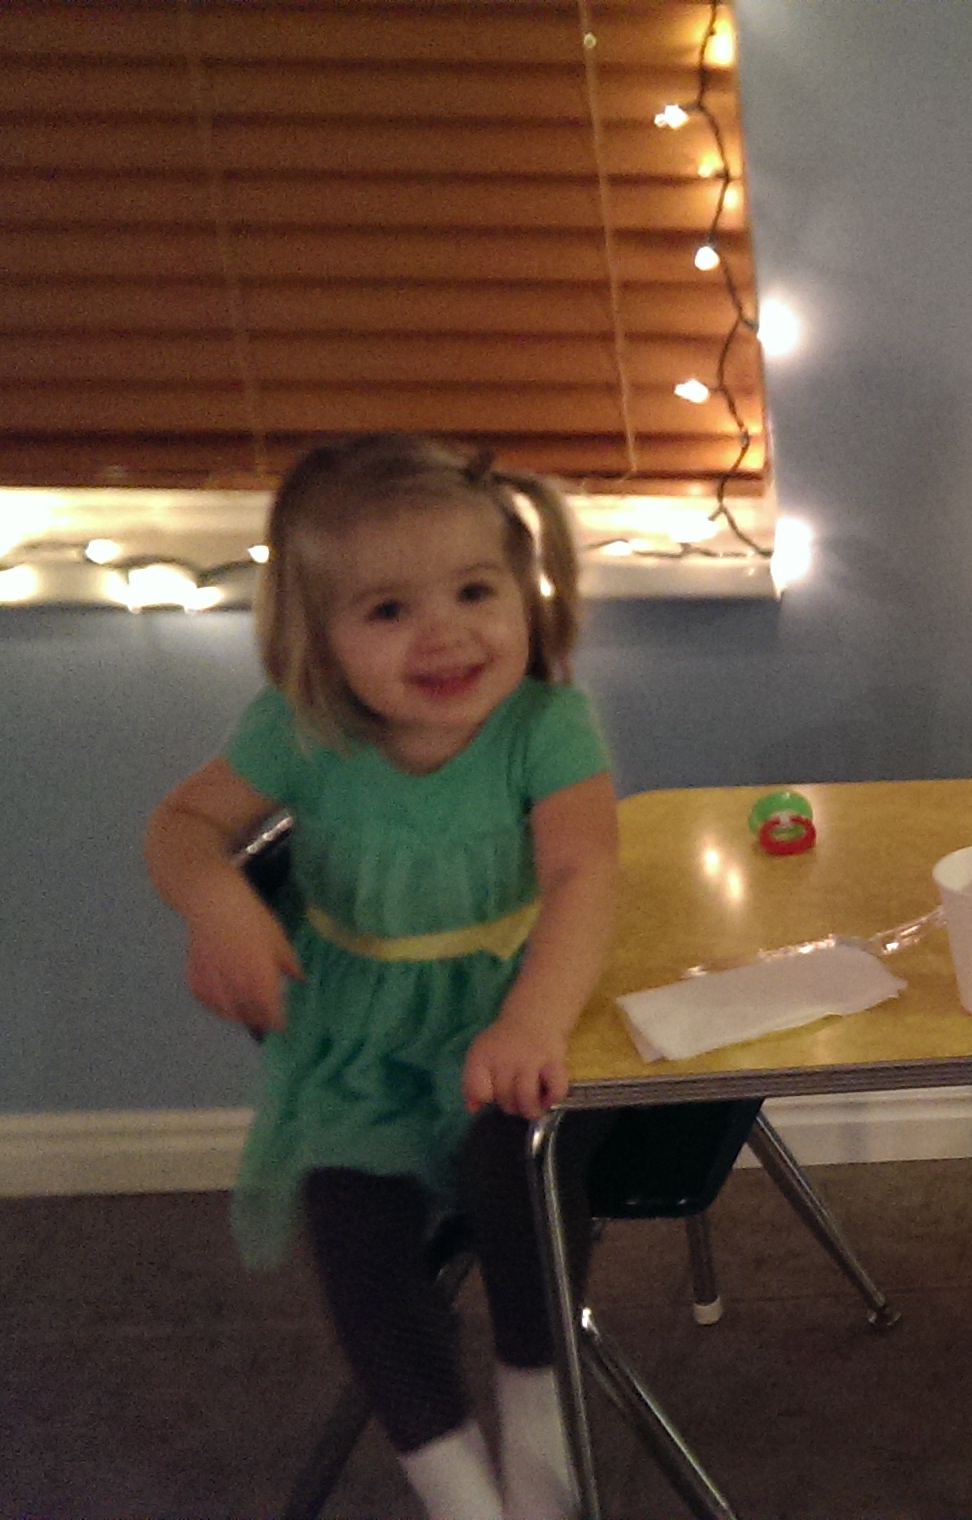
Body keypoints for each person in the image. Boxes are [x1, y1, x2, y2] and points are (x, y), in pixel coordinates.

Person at [145, 433, 619, 1520]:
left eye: (474, 591)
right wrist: (216, 897)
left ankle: (542, 1450)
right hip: (360, 1049)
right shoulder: (300, 730)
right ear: (317, 636)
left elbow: (585, 869)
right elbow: (179, 826)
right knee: (351, 1235)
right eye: (389, 609)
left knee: (520, 1171)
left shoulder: (546, 724)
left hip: (523, 1002)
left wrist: (530, 1021)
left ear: (526, 593)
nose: (444, 631)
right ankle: (457, 1493)